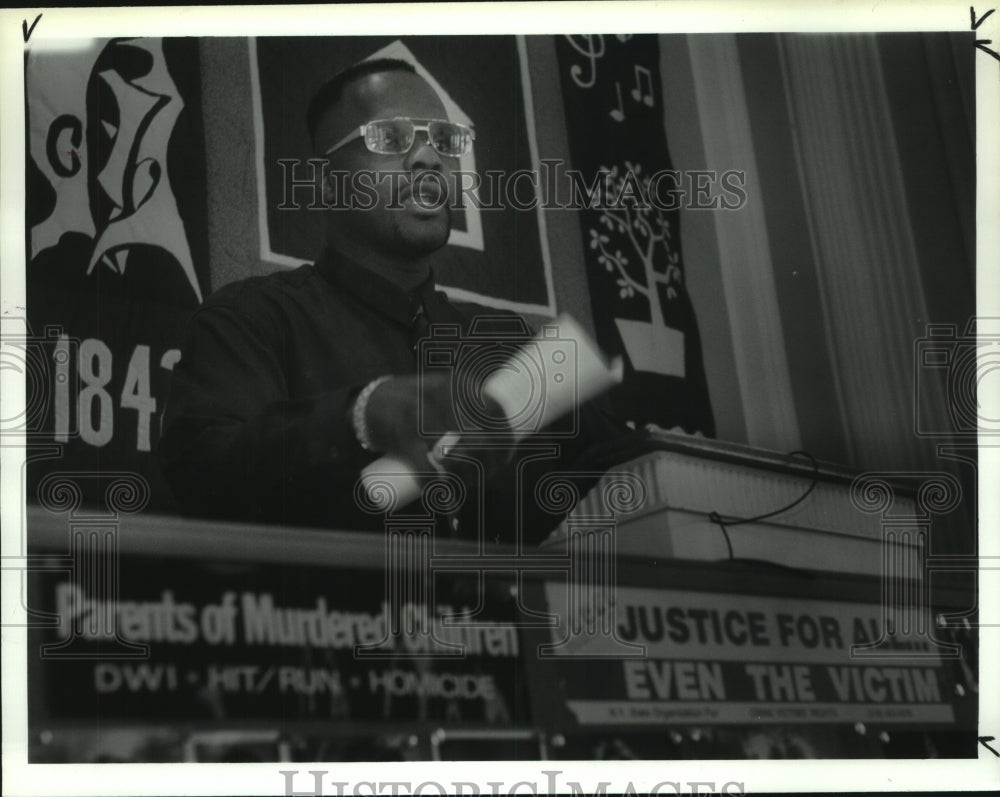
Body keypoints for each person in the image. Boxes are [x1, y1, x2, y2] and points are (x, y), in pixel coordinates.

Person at [159, 58, 627, 544]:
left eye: (444, 142)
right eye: (389, 138)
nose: (428, 159)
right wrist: (361, 416)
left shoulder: (505, 341)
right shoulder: (250, 320)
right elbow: (205, 478)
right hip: (332, 620)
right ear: (325, 181)